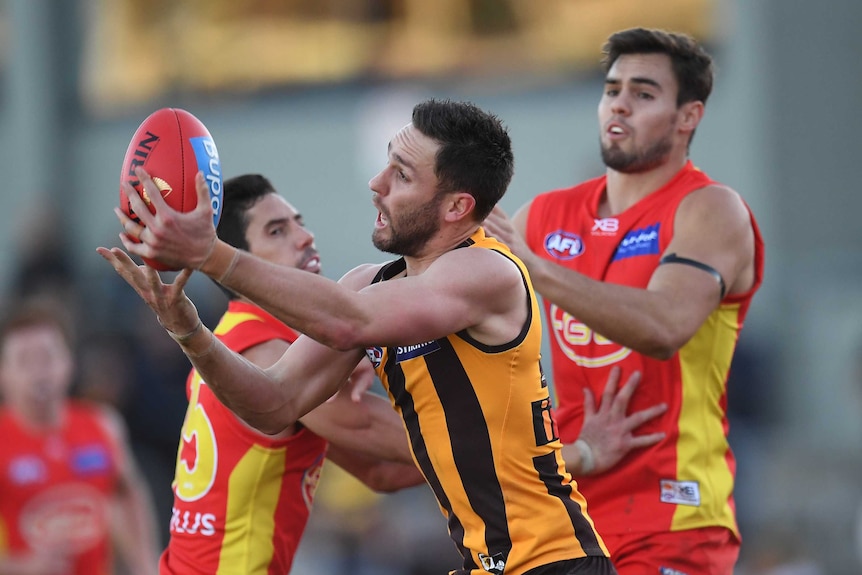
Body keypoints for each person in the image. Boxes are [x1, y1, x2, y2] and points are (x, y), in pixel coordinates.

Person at [100, 99, 624, 575]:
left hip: (555, 559)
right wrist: (189, 328)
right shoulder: (367, 286)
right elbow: (276, 402)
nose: (376, 183)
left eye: (400, 174)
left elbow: (350, 323)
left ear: (456, 207)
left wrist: (210, 253)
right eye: (385, 164)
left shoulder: (487, 272)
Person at [483, 28, 765, 575]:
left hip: (673, 516)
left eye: (643, 93)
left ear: (689, 117)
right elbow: (460, 308)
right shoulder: (543, 215)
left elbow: (665, 326)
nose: (619, 104)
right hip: (564, 513)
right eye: (612, 89)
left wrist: (535, 268)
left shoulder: (710, 209)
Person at [160, 173, 427, 574]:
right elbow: (416, 441)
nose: (305, 237)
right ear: (235, 263)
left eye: (298, 222)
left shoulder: (247, 340)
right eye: (277, 231)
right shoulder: (266, 353)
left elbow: (380, 471)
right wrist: (541, 454)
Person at [0, 299, 160, 575]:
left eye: (47, 357)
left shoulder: (102, 424)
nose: (40, 373)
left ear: (68, 362)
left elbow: (126, 495)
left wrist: (145, 564)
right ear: (4, 374)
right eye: (25, 360)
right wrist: (21, 567)